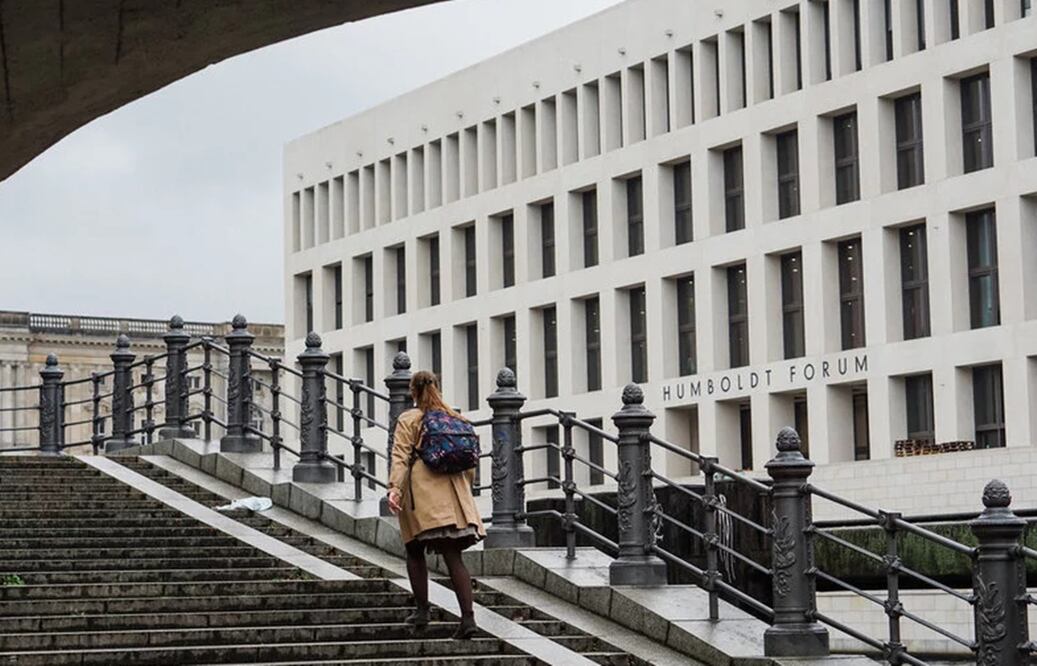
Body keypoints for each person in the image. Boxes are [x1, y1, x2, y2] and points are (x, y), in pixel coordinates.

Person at [387, 370, 485, 639]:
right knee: (454, 557)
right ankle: (468, 619)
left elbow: (400, 456)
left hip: (423, 493)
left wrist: (394, 489)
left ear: (412, 391)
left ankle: (421, 613)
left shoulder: (409, 419)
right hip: (454, 496)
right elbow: (469, 463)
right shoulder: (455, 417)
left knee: (414, 550)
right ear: (437, 388)